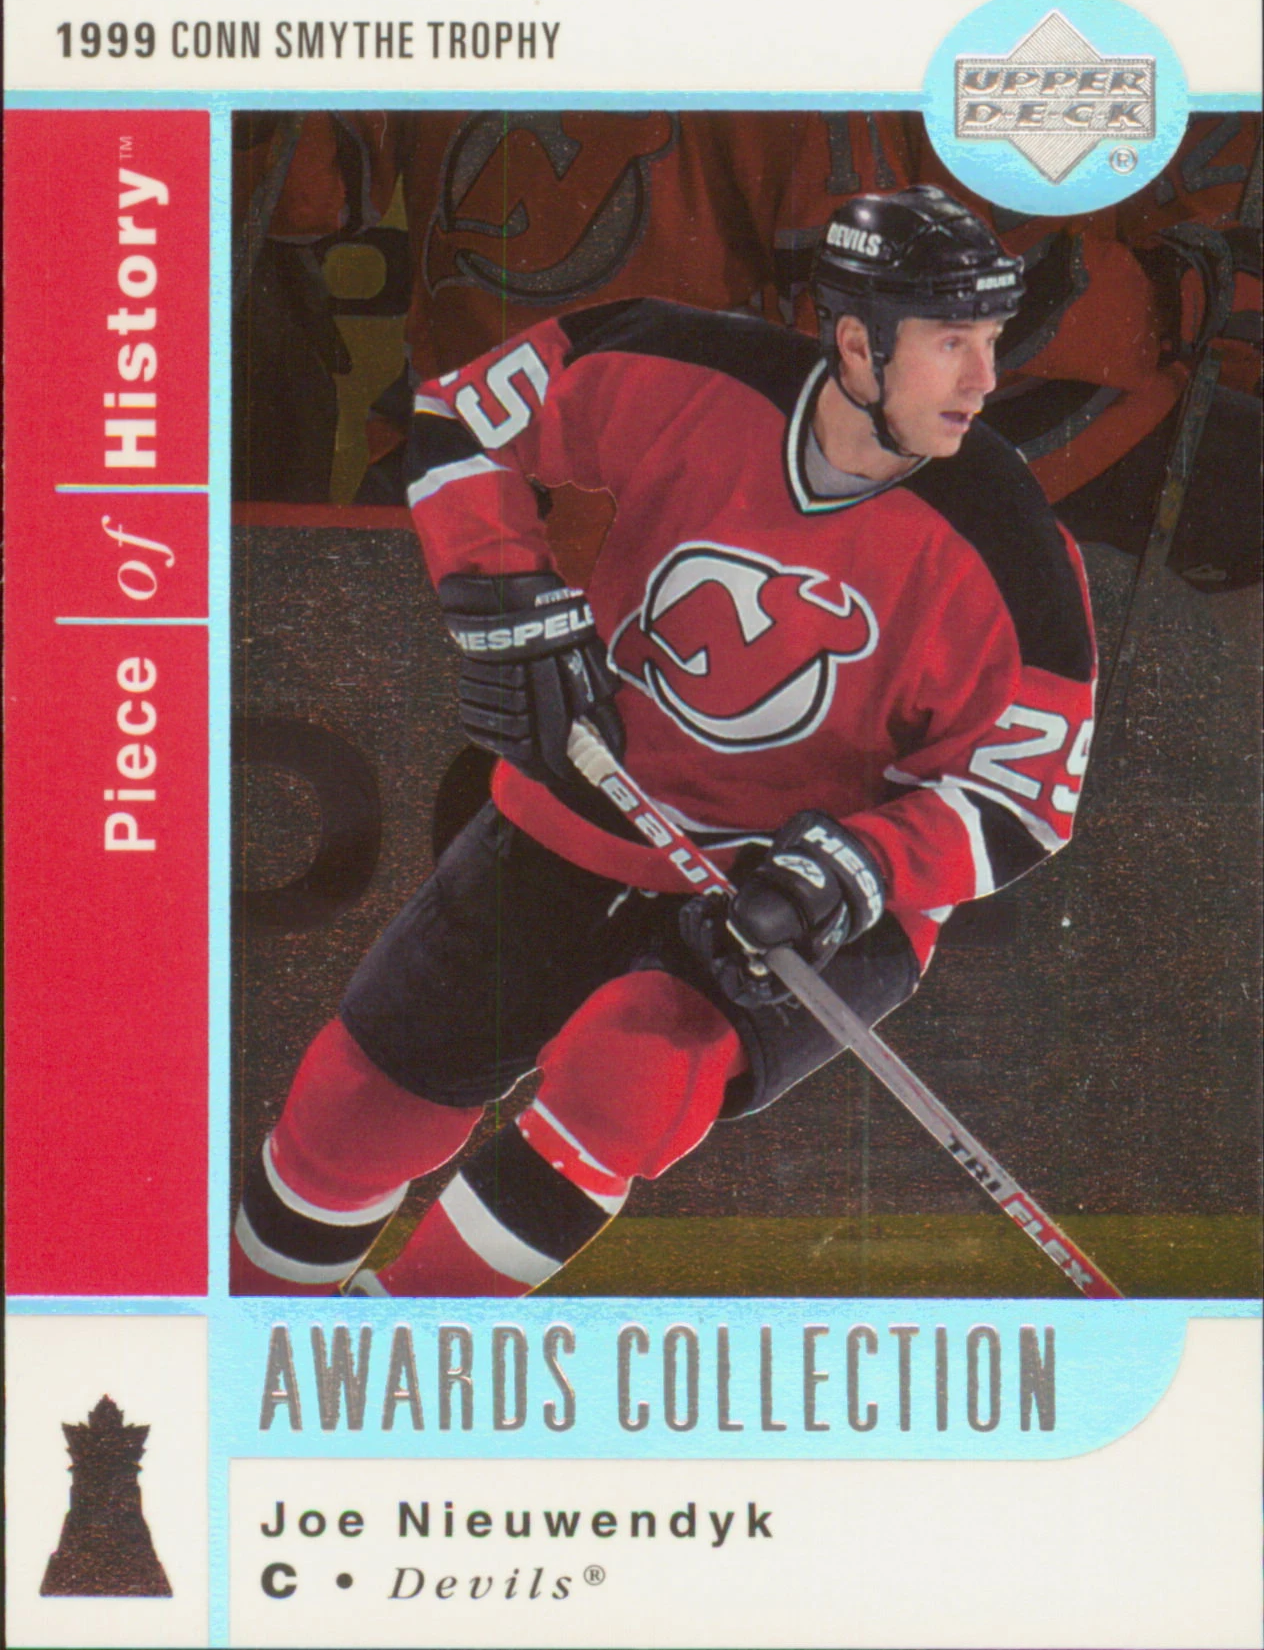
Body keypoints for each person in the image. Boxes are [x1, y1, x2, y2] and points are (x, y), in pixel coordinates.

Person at [230, 185, 1097, 1298]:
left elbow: (1022, 797)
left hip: (799, 897)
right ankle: (249, 1328)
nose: (985, 378)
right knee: (354, 1111)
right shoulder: (687, 368)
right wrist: (501, 591)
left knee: (627, 1074)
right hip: (592, 810)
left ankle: (403, 1343)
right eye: (950, 342)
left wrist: (860, 866)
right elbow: (460, 415)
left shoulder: (1013, 551)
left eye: (990, 340)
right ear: (856, 343)